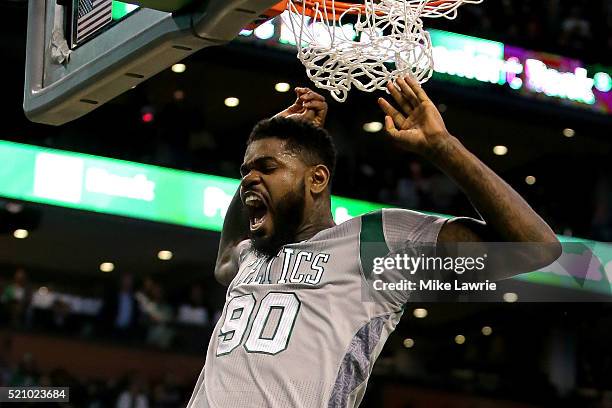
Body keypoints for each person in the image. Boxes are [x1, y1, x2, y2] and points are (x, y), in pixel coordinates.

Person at [187, 78, 561, 407]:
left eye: (267, 168)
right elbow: (226, 256)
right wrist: (262, 165)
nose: (249, 179)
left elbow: (536, 247)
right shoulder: (252, 254)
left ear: (317, 180)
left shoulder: (375, 243)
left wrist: (442, 146)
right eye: (245, 172)